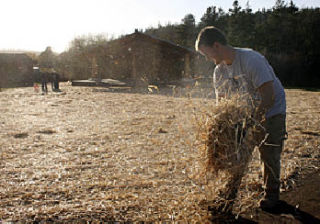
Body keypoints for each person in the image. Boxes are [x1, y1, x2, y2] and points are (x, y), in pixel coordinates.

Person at [195, 26, 287, 211]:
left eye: (207, 54)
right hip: (246, 115)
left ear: (216, 45)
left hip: (272, 112)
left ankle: (272, 196)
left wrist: (252, 124)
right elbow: (222, 103)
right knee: (238, 156)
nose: (207, 59)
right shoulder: (219, 71)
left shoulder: (252, 60)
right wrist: (224, 128)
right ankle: (228, 197)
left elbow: (269, 97)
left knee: (269, 154)